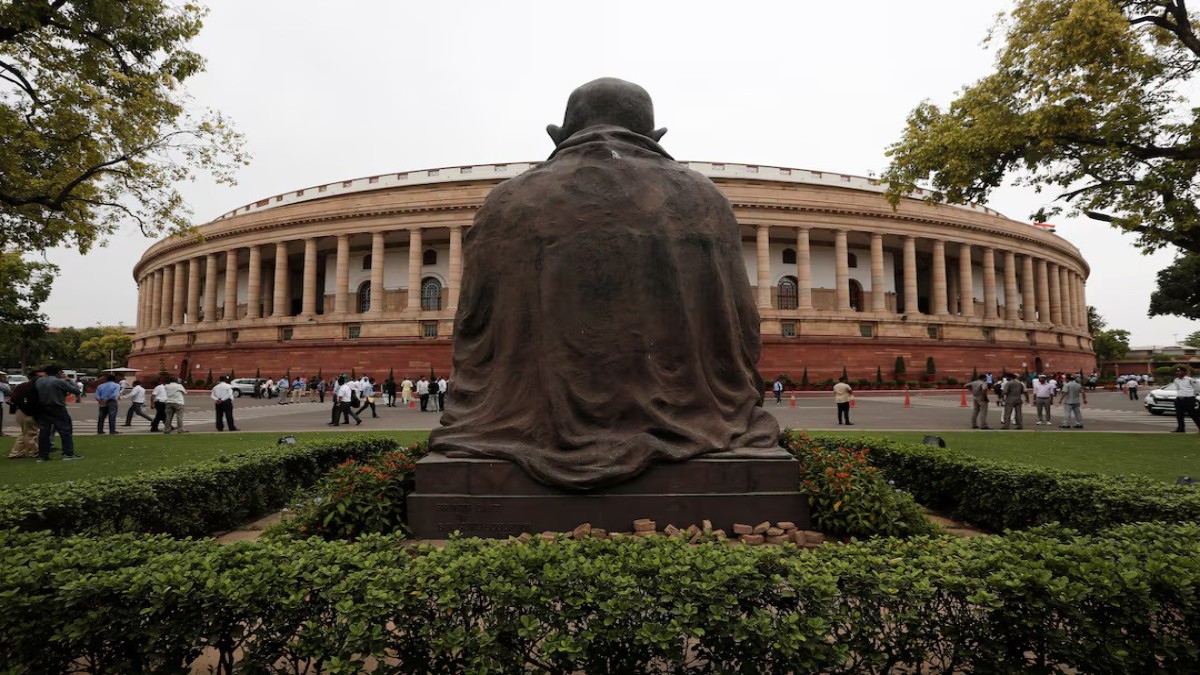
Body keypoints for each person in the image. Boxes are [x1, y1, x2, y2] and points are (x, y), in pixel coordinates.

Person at [34, 365, 83, 461]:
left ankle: (43, 455)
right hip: (57, 407)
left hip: (43, 408)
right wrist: (68, 380)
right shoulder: (59, 381)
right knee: (65, 430)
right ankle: (68, 453)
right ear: (58, 372)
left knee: (44, 432)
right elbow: (76, 390)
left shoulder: (39, 381)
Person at [8, 369, 43, 458]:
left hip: (20, 411)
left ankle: (16, 452)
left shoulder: (21, 386)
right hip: (28, 413)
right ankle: (34, 451)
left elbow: (13, 399)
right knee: (31, 433)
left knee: (25, 433)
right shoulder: (34, 387)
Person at [1170, 366, 1200, 433]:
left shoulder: (1190, 380)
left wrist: (1193, 395)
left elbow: (1197, 388)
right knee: (1179, 415)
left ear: (1184, 372)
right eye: (1177, 371)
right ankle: (1181, 429)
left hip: (1189, 399)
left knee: (1194, 415)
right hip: (1179, 399)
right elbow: (1178, 388)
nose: (1178, 373)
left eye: (1180, 371)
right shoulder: (1176, 380)